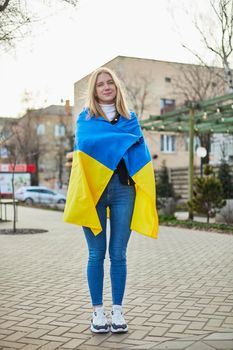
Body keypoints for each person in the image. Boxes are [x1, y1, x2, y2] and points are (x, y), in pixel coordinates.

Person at [64, 67, 158, 334]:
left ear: (116, 87)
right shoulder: (85, 119)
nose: (106, 87)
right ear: (94, 90)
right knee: (96, 254)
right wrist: (121, 142)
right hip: (93, 192)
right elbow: (86, 148)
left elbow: (139, 152)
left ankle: (117, 310)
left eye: (110, 83)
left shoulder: (130, 119)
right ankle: (97, 313)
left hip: (123, 190)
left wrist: (121, 142)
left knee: (118, 254)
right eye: (100, 84)